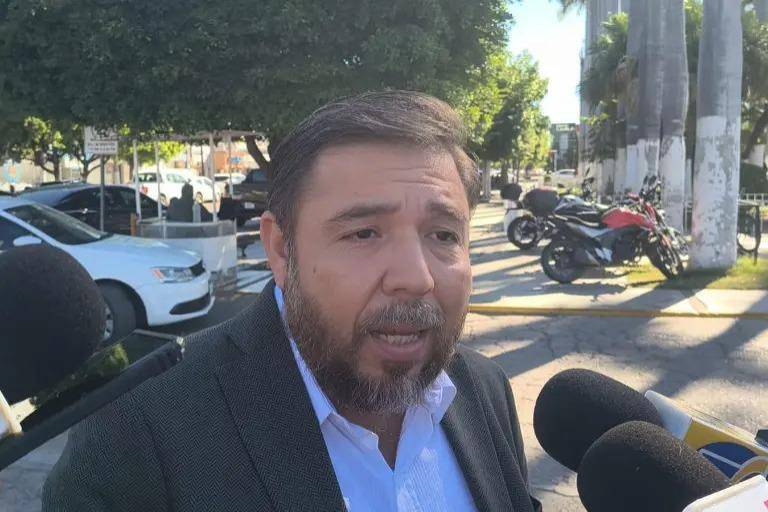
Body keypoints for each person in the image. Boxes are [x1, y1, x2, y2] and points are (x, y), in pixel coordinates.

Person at [44, 91, 541, 512]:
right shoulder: (136, 436)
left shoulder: (484, 391)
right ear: (282, 249)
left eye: (444, 235)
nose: (416, 278)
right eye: (364, 233)